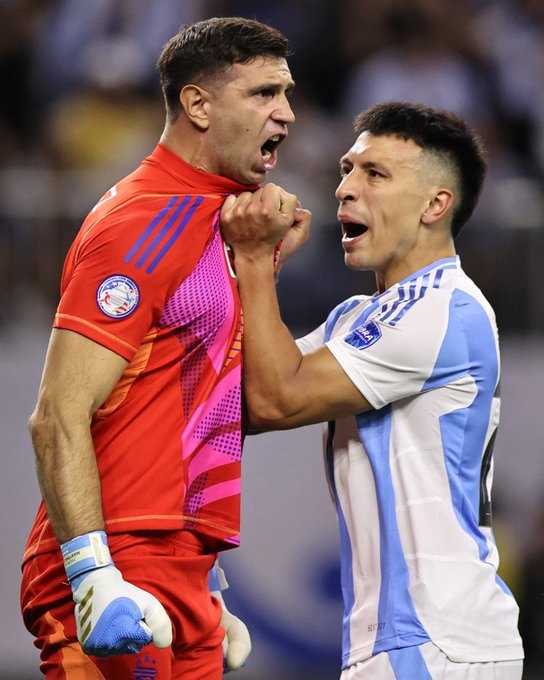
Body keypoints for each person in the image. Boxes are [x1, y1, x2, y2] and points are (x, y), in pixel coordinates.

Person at [21, 16, 295, 680]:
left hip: (181, 566)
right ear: (198, 104)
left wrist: (207, 574)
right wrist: (93, 576)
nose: (286, 114)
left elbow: (191, 405)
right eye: (263, 94)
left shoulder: (221, 222)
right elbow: (57, 414)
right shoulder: (145, 220)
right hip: (118, 561)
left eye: (287, 94)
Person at [220, 102, 524, 679]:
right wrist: (261, 270)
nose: (344, 189)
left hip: (438, 643)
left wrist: (255, 260)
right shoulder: (361, 315)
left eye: (375, 174)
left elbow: (275, 400)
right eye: (346, 169)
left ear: (436, 205)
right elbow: (239, 397)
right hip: (409, 641)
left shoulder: (442, 307)